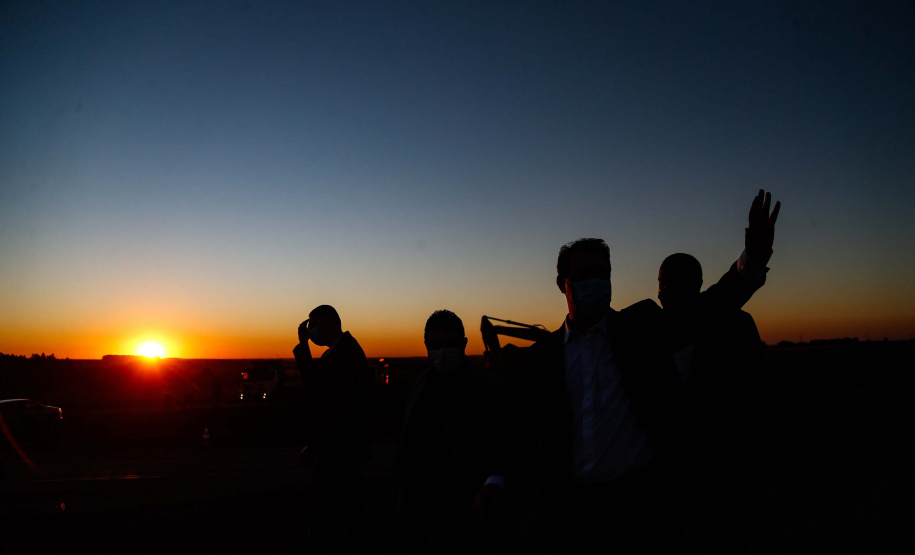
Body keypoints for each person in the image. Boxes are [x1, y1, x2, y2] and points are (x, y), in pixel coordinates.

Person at [507, 190, 780, 553]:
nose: (596, 281)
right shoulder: (542, 357)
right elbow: (521, 430)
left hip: (642, 509)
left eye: (602, 273)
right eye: (584, 274)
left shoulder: (641, 328)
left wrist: (754, 258)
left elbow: (712, 306)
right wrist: (497, 482)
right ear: (563, 284)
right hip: (573, 514)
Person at [658, 253, 774, 554]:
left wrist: (756, 460)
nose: (671, 289)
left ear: (699, 285)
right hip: (664, 477)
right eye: (665, 282)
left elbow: (757, 396)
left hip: (722, 471)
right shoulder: (649, 330)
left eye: (682, 281)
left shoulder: (735, 325)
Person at [396, 310, 509, 554]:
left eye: (449, 344)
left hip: (462, 511)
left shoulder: (489, 388)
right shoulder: (422, 382)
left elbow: (503, 445)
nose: (442, 351)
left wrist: (493, 483)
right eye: (435, 345)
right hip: (418, 505)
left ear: (464, 344)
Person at [293, 304, 374, 552]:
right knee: (346, 516)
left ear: (328, 323)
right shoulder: (338, 353)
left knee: (331, 515)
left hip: (339, 451)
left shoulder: (345, 355)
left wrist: (315, 445)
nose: (312, 331)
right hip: (338, 450)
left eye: (314, 324)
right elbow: (317, 386)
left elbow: (335, 407)